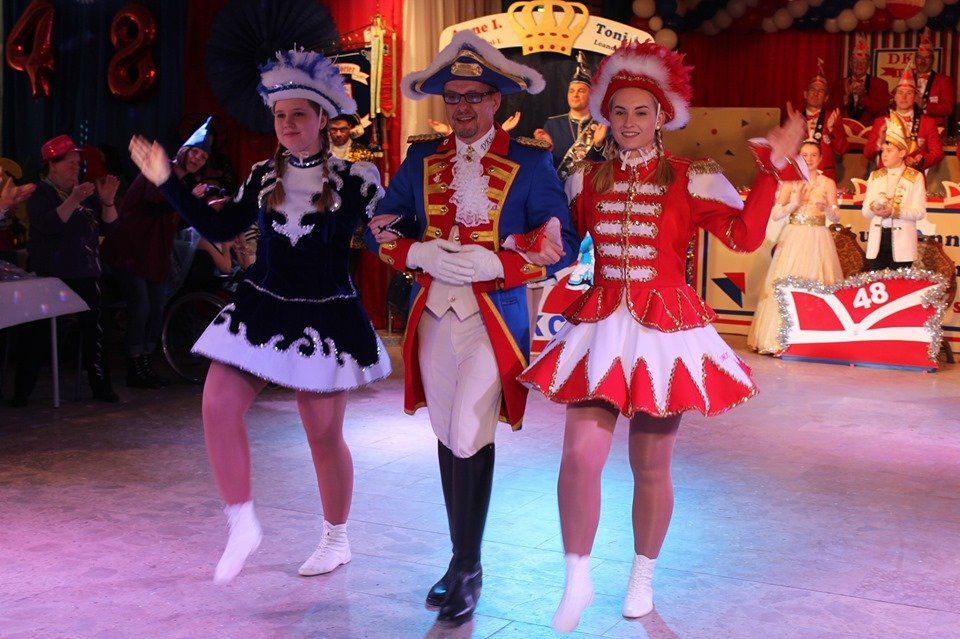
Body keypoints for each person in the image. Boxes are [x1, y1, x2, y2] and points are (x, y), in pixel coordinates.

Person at [517, 41, 806, 632]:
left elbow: (745, 237)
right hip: (600, 327)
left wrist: (770, 172)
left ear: (662, 116)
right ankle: (576, 577)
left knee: (650, 465)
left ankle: (642, 579)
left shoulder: (692, 176)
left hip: (664, 332)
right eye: (619, 111)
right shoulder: (585, 178)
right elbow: (562, 243)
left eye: (641, 112)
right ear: (605, 114)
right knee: (578, 456)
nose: (629, 123)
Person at [127, 49, 392, 584]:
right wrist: (166, 180)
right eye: (279, 115)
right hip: (262, 307)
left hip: (324, 317)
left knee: (322, 436)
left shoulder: (357, 179)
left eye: (298, 114)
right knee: (216, 405)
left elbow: (386, 233)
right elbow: (221, 228)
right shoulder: (261, 176)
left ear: (323, 117)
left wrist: (408, 241)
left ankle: (336, 538)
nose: (287, 124)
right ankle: (242, 522)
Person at [366, 30, 579, 625]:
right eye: (453, 97)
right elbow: (379, 224)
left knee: (467, 430)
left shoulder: (531, 162)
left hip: (494, 317)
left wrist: (500, 264)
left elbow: (561, 242)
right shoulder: (420, 159)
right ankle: (460, 558)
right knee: (447, 431)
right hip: (434, 314)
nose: (462, 107)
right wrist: (414, 253)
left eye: (474, 96)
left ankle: (468, 567)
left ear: (495, 101)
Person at [101, 117, 213, 389]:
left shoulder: (180, 186)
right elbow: (154, 207)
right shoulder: (160, 170)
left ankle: (145, 363)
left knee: (156, 308)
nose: (197, 159)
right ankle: (134, 366)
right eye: (195, 152)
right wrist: (188, 201)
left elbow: (174, 221)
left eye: (203, 156)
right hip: (131, 251)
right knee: (141, 307)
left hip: (154, 255)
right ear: (184, 150)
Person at [12, 135, 120, 406]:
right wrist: (73, 199)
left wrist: (108, 202)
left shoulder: (82, 192)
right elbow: (49, 225)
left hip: (85, 272)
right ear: (52, 165)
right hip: (50, 275)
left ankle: (101, 386)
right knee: (35, 333)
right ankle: (22, 391)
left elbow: (108, 228)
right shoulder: (40, 193)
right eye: (70, 162)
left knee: (97, 329)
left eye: (78, 162)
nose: (76, 167)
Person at [747, 141, 843, 354]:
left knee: (818, 280)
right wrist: (795, 203)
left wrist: (827, 209)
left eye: (813, 155)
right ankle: (779, 339)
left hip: (818, 237)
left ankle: (816, 340)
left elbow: (836, 216)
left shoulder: (827, 183)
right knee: (786, 281)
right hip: (794, 237)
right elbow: (776, 213)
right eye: (805, 155)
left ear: (820, 158)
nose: (809, 159)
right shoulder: (790, 182)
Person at [862, 112, 927, 271]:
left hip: (903, 244)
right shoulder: (875, 176)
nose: (884, 155)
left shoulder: (915, 177)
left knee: (899, 283)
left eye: (889, 150)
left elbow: (919, 212)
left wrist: (894, 211)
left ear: (902, 153)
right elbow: (865, 212)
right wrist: (874, 208)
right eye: (883, 150)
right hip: (877, 243)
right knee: (876, 282)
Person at [535, 51, 607, 179]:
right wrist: (545, 149)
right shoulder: (553, 125)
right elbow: (544, 166)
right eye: (571, 91)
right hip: (559, 187)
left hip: (590, 187)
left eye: (581, 91)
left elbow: (609, 166)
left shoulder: (602, 125)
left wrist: (598, 145)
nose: (575, 95)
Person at [864, 69, 943, 173]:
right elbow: (867, 153)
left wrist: (921, 160)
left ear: (915, 97)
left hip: (914, 176)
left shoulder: (927, 123)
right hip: (885, 176)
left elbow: (937, 153)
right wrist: (880, 140)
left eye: (909, 93)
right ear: (894, 97)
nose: (904, 97)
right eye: (900, 93)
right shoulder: (881, 122)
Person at [796, 69, 847, 180]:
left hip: (825, 176)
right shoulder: (796, 118)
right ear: (805, 94)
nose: (816, 93)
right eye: (812, 90)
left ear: (826, 97)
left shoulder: (833, 117)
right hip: (799, 174)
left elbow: (842, 149)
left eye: (821, 91)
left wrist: (831, 129)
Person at [913, 30, 955, 132]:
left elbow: (948, 108)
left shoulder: (943, 80)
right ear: (915, 59)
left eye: (927, 58)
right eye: (919, 57)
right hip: (909, 128)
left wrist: (925, 105)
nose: (923, 61)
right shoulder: (907, 79)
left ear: (932, 60)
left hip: (934, 130)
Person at [843, 35, 889, 126]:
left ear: (869, 64)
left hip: (870, 131)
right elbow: (831, 110)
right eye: (855, 61)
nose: (859, 65)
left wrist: (863, 98)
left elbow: (881, 111)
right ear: (850, 64)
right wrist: (847, 97)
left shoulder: (880, 84)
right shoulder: (839, 84)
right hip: (844, 130)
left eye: (863, 62)